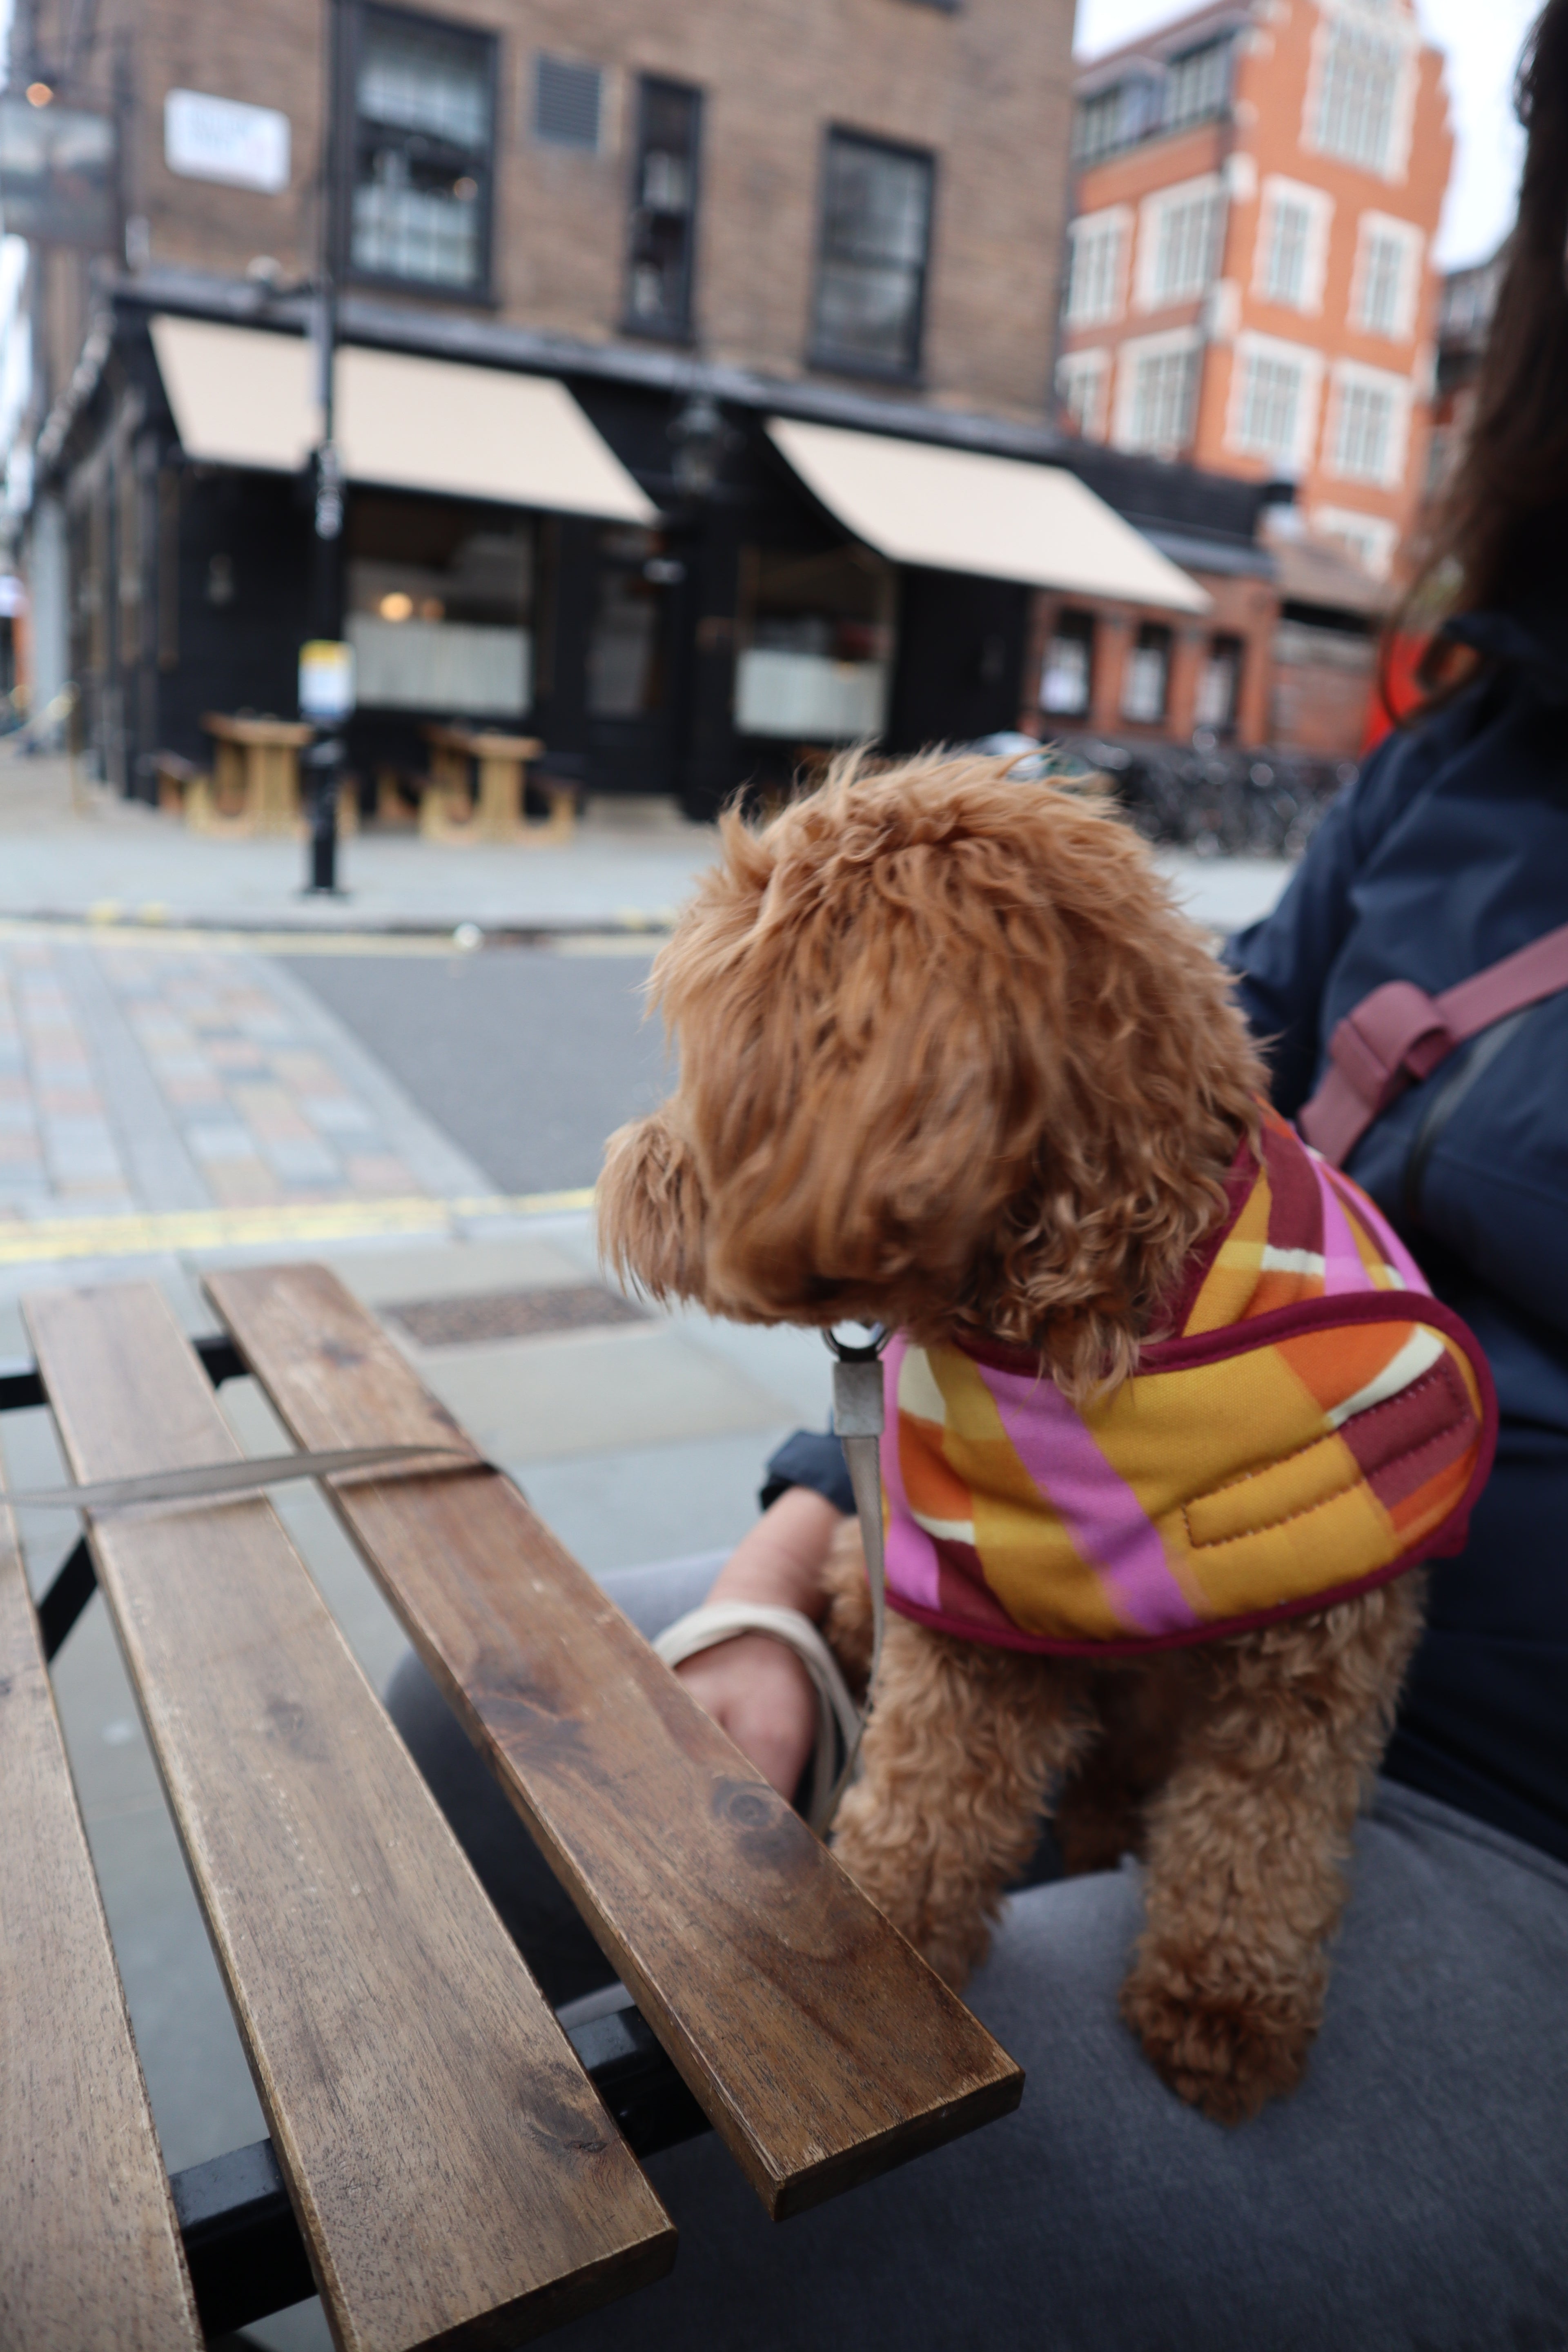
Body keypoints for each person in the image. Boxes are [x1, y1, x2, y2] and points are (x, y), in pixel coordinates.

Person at [387, 13, 1568, 2337]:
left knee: (706, 2218)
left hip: (1490, 1795)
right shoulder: (1471, 749)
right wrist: (798, 1545)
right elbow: (1084, 1136)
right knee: (471, 1737)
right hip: (1065, 1541)